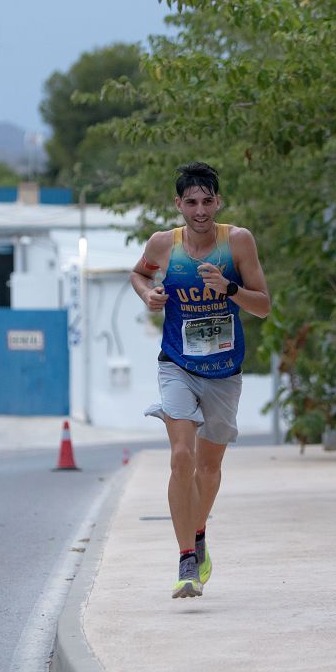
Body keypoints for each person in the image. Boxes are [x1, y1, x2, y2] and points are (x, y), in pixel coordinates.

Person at [130, 162, 270, 598]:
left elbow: (263, 305)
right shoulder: (163, 245)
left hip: (224, 373)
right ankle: (186, 559)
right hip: (177, 365)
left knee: (209, 470)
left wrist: (227, 289)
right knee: (180, 457)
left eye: (208, 201)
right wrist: (149, 295)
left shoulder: (238, 242)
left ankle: (200, 530)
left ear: (218, 202)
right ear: (178, 205)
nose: (200, 210)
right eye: (191, 202)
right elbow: (139, 274)